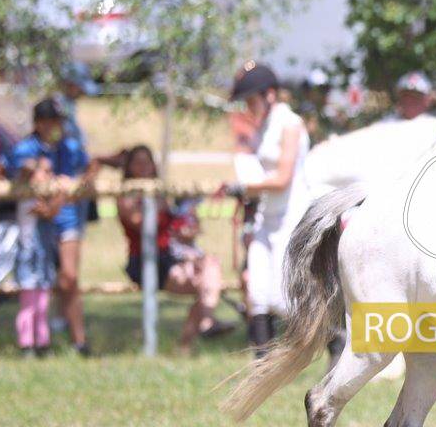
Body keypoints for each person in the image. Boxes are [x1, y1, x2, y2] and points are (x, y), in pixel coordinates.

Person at [222, 61, 311, 354]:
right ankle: (261, 364)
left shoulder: (290, 124)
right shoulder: (264, 124)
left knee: (281, 300)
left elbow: (283, 179)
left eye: (251, 100)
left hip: (290, 216)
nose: (248, 107)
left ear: (269, 94)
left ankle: (336, 337)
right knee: (256, 292)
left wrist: (244, 188)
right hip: (266, 216)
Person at [117, 145, 232, 354]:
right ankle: (198, 331)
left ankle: (195, 334)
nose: (143, 167)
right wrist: (159, 205)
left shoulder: (161, 193)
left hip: (171, 256)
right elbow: (140, 223)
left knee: (210, 266)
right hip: (146, 261)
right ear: (129, 167)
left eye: (147, 162)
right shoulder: (126, 196)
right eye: (138, 162)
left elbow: (173, 227)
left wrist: (186, 229)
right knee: (204, 283)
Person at [3, 98, 96, 356]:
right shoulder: (26, 148)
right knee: (36, 279)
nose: (57, 127)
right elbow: (16, 171)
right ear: (39, 124)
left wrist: (76, 186)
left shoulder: (71, 147)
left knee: (69, 277)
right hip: (38, 222)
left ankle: (78, 340)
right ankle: (35, 339)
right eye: (51, 122)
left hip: (67, 218)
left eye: (59, 122)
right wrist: (36, 170)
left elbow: (89, 168)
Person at [51, 61, 100, 341]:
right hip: (63, 200)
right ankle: (62, 322)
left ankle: (63, 319)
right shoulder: (60, 110)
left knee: (68, 268)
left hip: (74, 198)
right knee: (65, 269)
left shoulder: (70, 109)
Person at [9, 155, 62, 357]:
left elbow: (53, 210)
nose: (49, 175)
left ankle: (42, 342)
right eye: (45, 171)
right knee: (29, 304)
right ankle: (26, 343)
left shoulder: (49, 199)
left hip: (44, 257)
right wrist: (29, 168)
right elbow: (22, 175)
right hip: (29, 257)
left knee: (42, 304)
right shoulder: (25, 194)